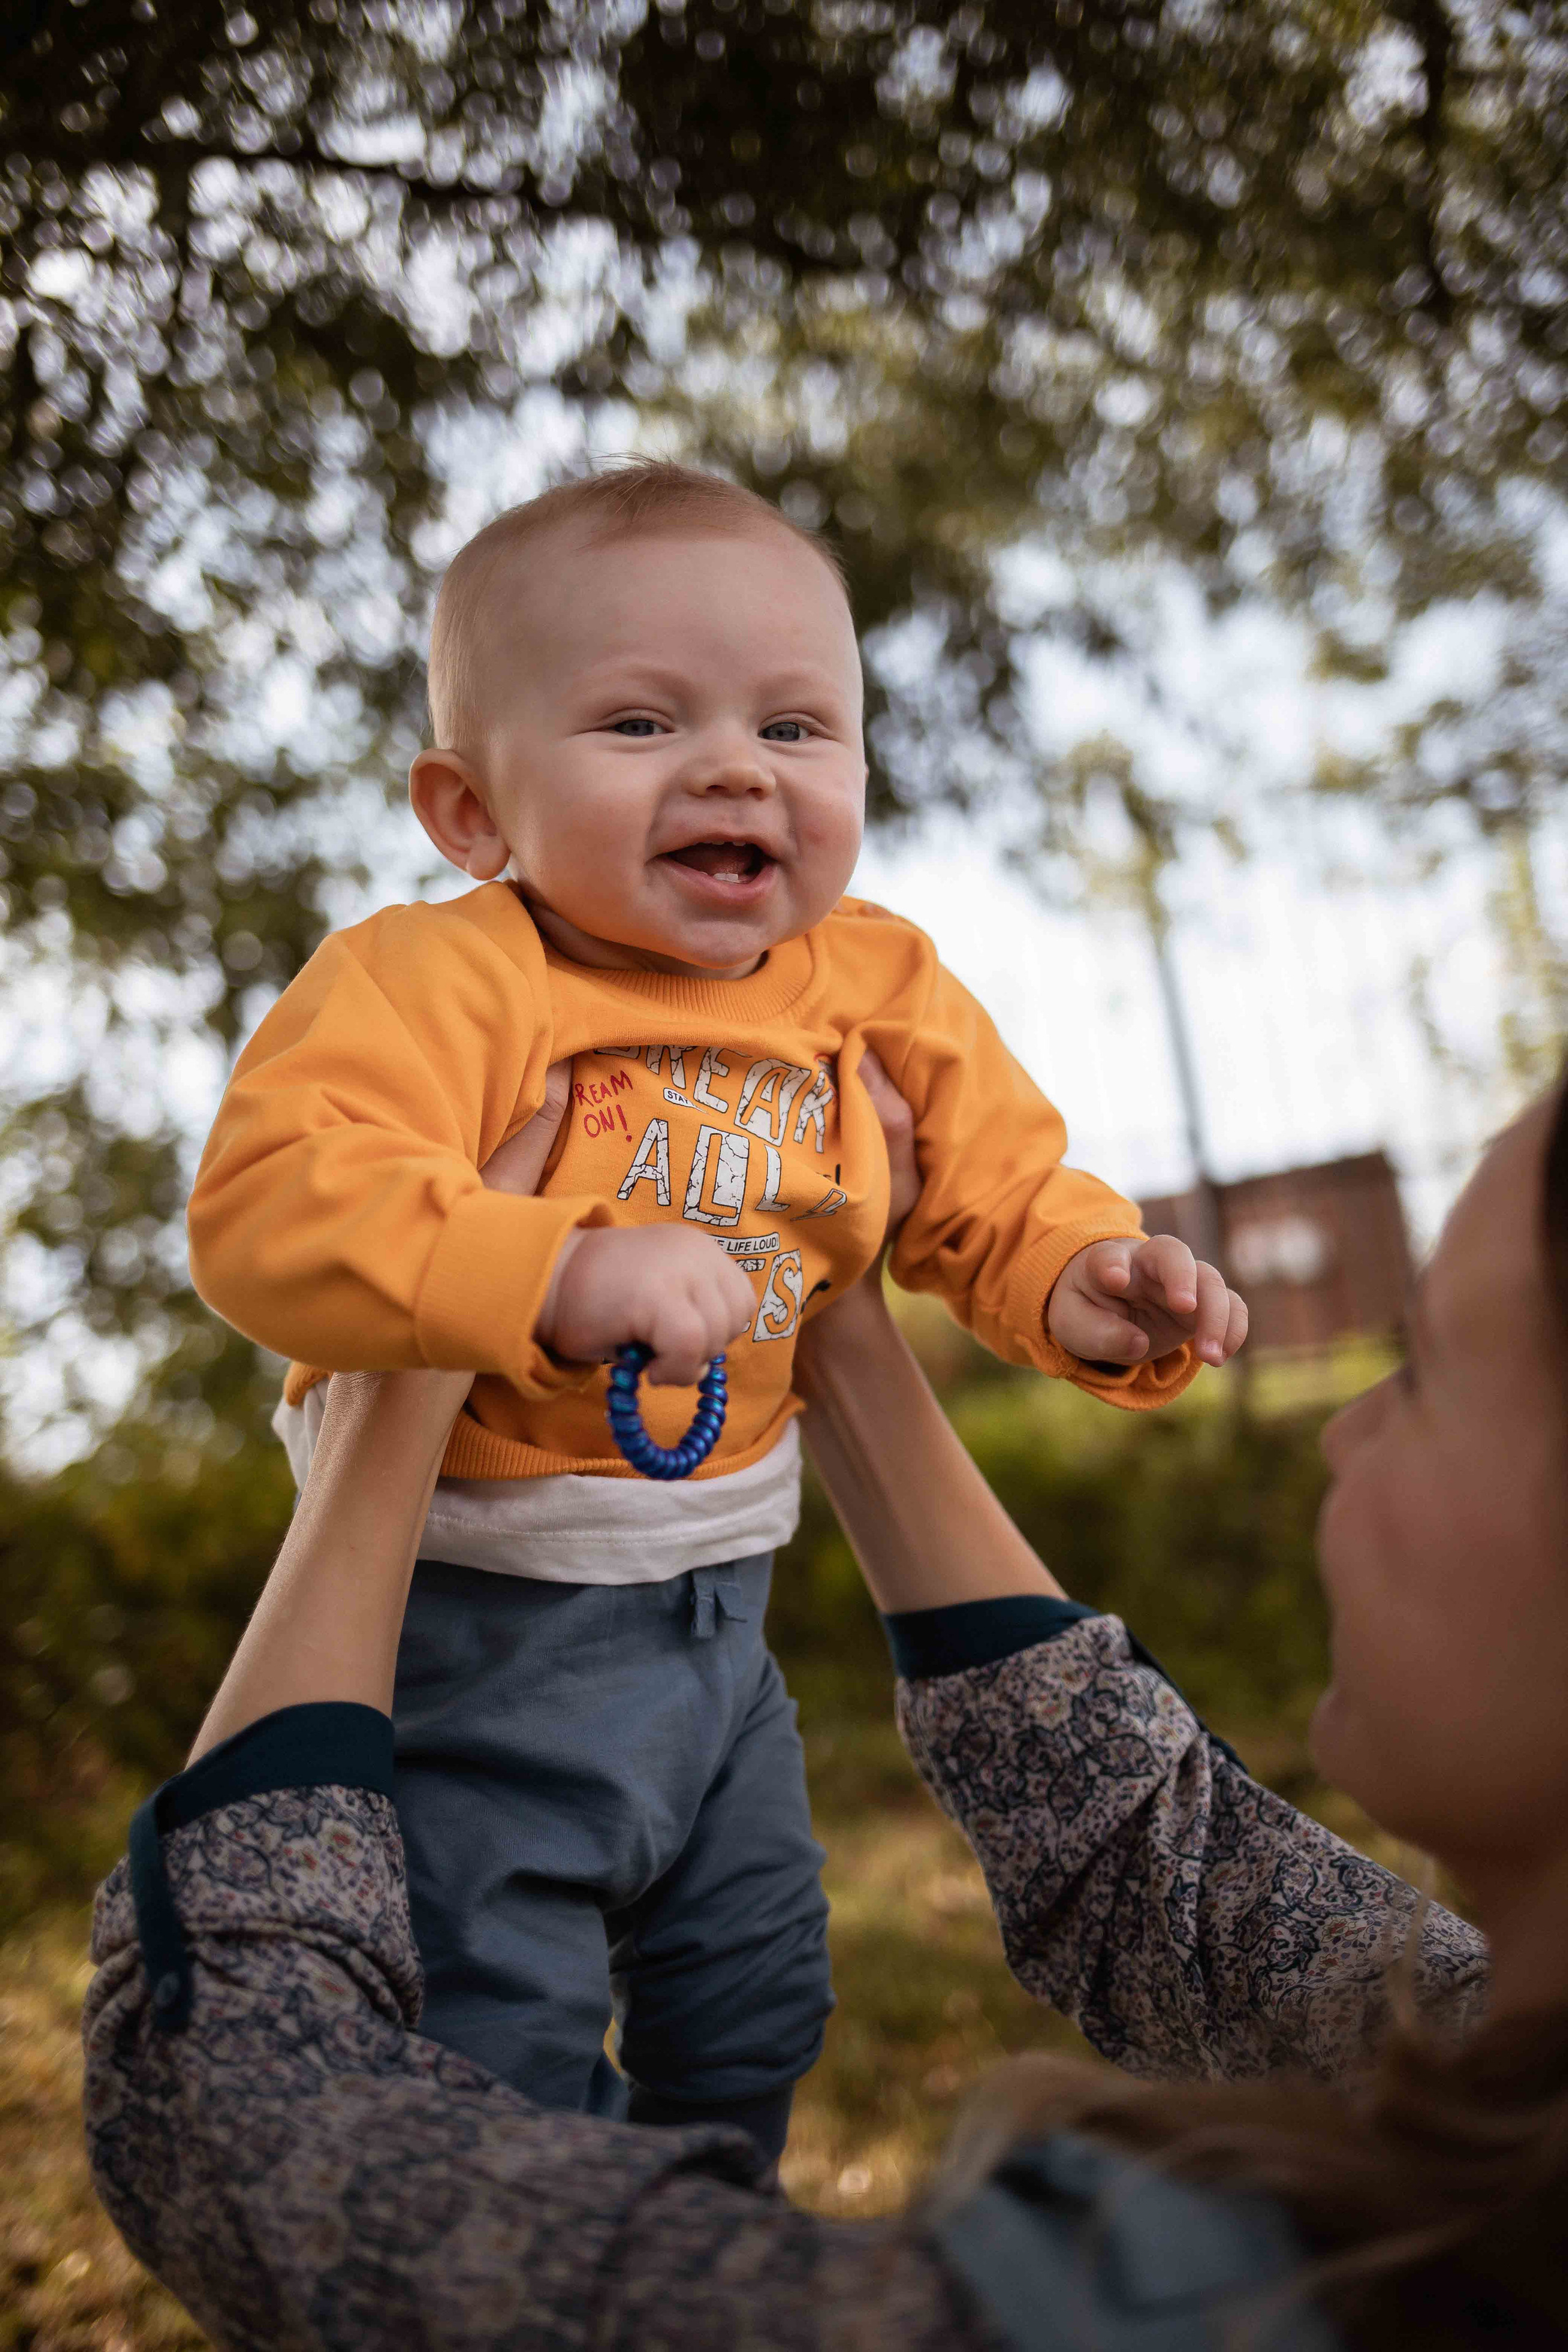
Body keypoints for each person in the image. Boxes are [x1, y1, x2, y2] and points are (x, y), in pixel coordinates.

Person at [86, 1072, 1568, 2347]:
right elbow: (1157, 1876)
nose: (1348, 1427)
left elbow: (242, 2121)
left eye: (1423, 1368)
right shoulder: (1482, 2060)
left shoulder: (1133, 2314)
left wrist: (399, 1386)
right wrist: (830, 1287)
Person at [180, 458, 1245, 2156]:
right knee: (498, 2023)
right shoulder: (444, 978)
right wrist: (548, 1265)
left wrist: (1079, 1280)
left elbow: (993, 1183)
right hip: (480, 1617)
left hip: (720, 1606)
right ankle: (549, 2238)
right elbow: (272, 1205)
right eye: (640, 723)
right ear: (471, 813)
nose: (737, 766)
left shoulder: (874, 980)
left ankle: (721, 2211)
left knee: (755, 1985)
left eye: (796, 726)